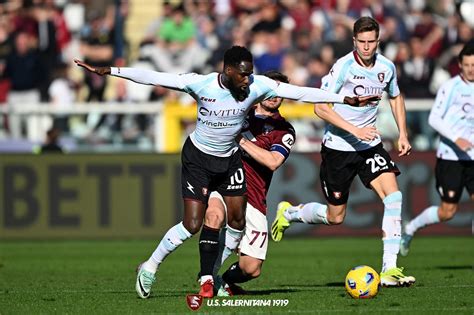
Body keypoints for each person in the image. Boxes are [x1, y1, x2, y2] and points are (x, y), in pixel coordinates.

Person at [74, 45, 376, 299]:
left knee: (236, 219)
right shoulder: (201, 84)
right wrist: (111, 71)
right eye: (242, 73)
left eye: (250, 73)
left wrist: (346, 99)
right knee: (192, 224)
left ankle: (211, 277)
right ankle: (150, 266)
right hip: (198, 158)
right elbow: (155, 77)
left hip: (230, 160)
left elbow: (301, 92)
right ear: (228, 70)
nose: (247, 79)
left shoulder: (257, 86)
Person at [271, 17, 416, 287]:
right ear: (354, 41)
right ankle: (289, 213)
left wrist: (403, 133)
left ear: (378, 41)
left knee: (393, 196)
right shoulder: (343, 67)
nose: (366, 47)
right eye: (361, 42)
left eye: (371, 42)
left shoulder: (387, 67)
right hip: (338, 148)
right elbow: (320, 107)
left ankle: (389, 269)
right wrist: (354, 129)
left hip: (369, 146)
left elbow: (395, 96)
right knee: (335, 216)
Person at [201, 71, 294, 296]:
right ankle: (205, 279)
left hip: (254, 197)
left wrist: (240, 140)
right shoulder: (240, 111)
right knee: (214, 215)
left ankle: (223, 280)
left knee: (251, 269)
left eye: (278, 92)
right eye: (269, 90)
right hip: (225, 184)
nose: (273, 96)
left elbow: (273, 162)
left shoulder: (284, 130)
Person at [400, 42, 474, 256]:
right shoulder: (451, 87)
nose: (471, 69)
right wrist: (456, 139)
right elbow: (434, 118)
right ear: (460, 65)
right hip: (451, 157)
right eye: (467, 64)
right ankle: (411, 227)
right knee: (447, 211)